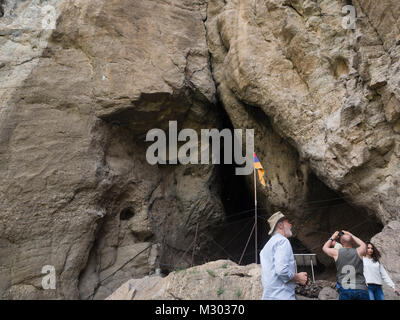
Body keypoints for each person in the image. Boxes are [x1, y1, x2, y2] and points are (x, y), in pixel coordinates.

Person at [260, 211, 308, 300]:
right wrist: (298, 277)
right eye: (288, 222)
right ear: (280, 225)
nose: (291, 225)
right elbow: (281, 270)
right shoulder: (282, 241)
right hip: (282, 295)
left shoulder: (266, 247)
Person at [322, 230, 369, 300]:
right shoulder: (359, 252)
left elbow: (324, 248)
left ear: (341, 243)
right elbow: (363, 245)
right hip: (361, 288)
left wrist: (333, 237)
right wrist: (351, 235)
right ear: (352, 242)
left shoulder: (336, 253)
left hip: (345, 289)